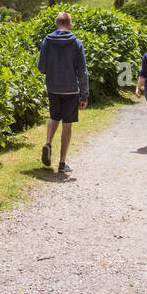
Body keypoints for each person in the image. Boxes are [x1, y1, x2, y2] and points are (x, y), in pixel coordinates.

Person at [37, 11, 88, 174]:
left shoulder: (47, 40)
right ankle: (62, 162)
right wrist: (84, 95)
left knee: (54, 117)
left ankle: (48, 142)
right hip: (71, 89)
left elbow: (41, 68)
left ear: (56, 23)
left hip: (53, 88)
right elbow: (83, 71)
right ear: (70, 24)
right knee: (67, 125)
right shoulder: (76, 42)